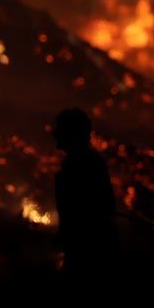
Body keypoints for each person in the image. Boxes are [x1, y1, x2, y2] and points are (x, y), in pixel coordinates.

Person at [52, 108, 117, 275]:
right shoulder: (81, 162)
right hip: (83, 249)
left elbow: (93, 209)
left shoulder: (85, 164)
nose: (55, 134)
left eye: (60, 129)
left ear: (72, 133)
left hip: (87, 252)